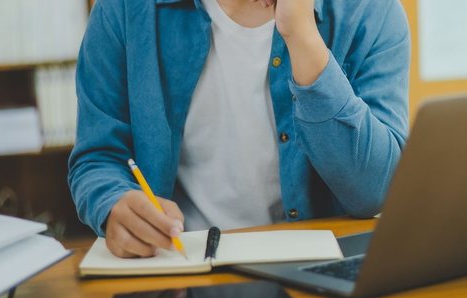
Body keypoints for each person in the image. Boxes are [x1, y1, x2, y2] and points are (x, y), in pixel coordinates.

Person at [68, 0, 410, 258]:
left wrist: (302, 35)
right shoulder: (125, 10)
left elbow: (375, 191)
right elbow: (97, 158)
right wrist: (113, 202)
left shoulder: (370, 10)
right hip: (180, 268)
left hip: (316, 273)